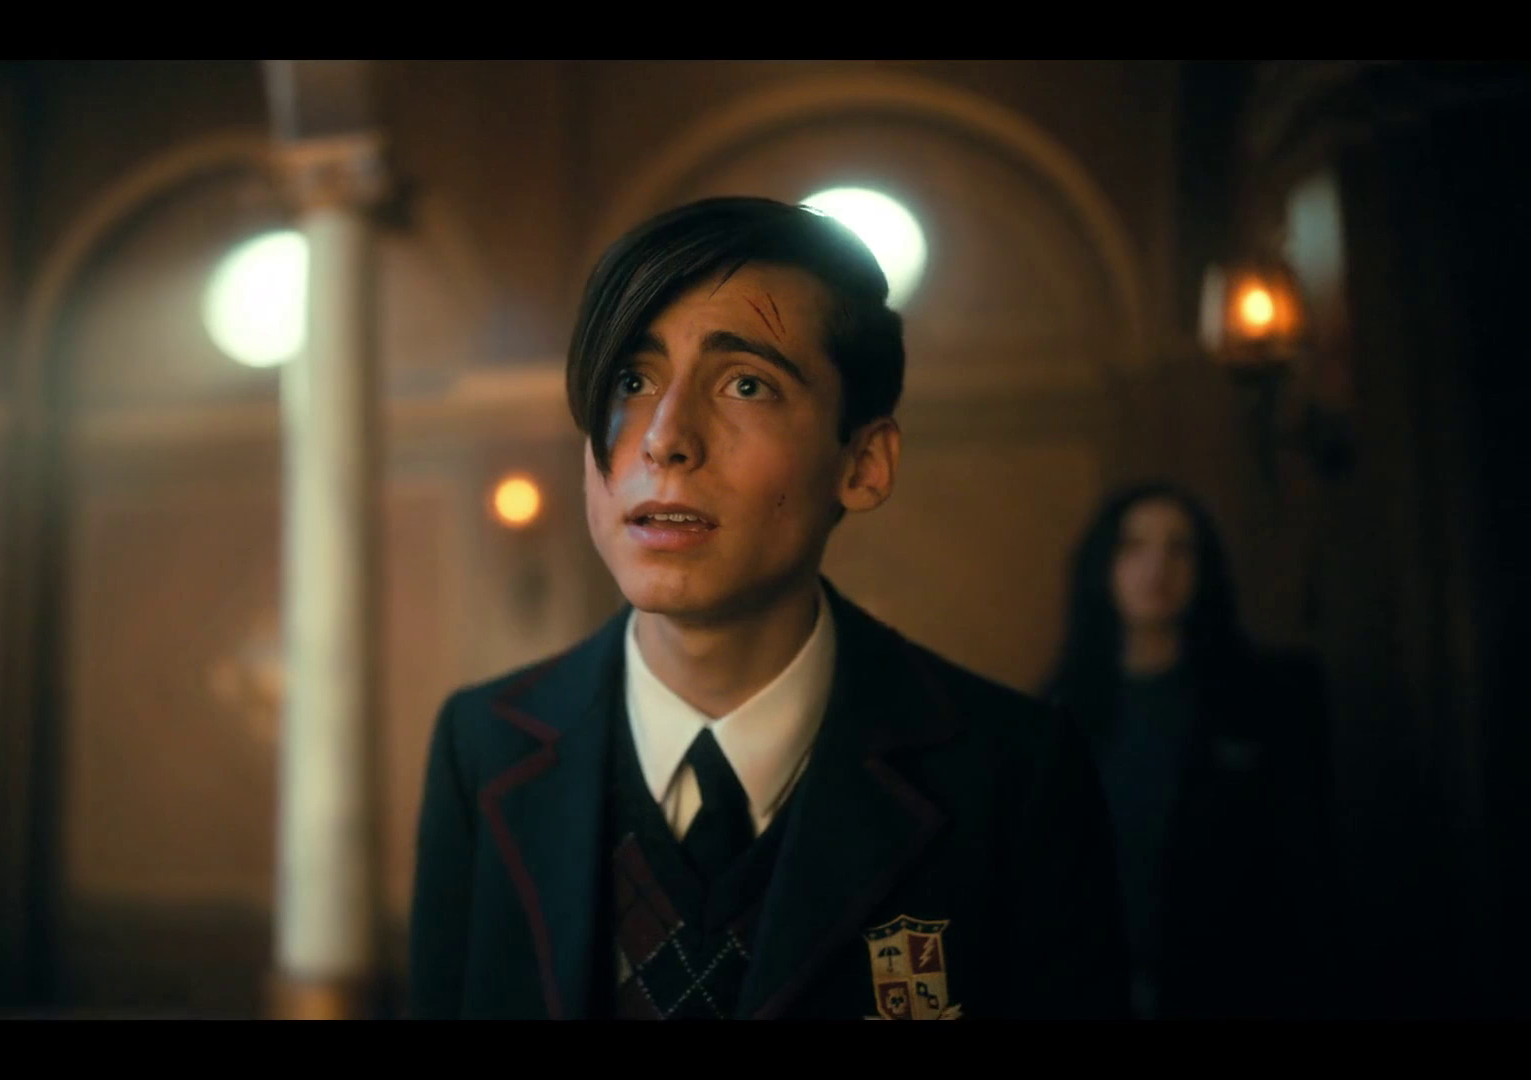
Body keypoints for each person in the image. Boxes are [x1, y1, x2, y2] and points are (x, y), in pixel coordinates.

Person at [408, 195, 1129, 1020]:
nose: (666, 438)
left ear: (863, 463)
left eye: (746, 384)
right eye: (633, 381)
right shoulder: (485, 746)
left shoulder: (1010, 774)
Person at [1043, 483, 1338, 1020]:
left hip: (1238, 989)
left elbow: (1306, 869)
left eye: (1179, 548)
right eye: (1134, 546)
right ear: (1104, 566)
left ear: (1205, 569)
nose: (1157, 567)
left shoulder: (1265, 701)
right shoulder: (1056, 715)